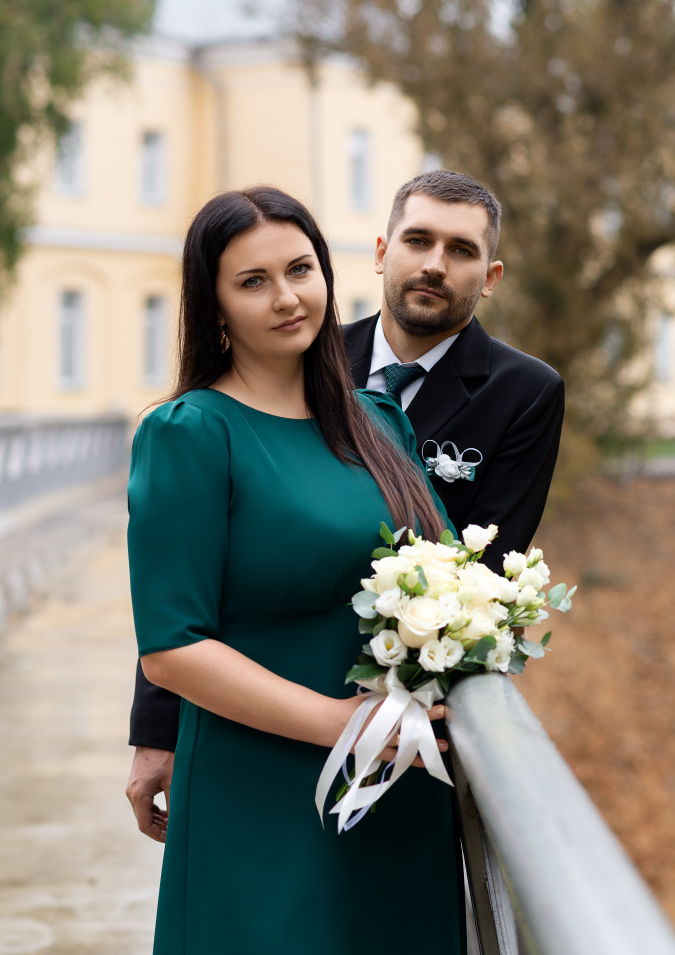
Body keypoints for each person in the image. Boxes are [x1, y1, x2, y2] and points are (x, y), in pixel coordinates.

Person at [126, 169, 564, 845]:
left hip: (404, 740)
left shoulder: (500, 396)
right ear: (382, 250)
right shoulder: (222, 408)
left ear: (490, 274)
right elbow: (179, 601)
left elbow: (484, 572)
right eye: (418, 240)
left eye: (461, 251)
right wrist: (157, 730)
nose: (434, 265)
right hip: (266, 742)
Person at [127, 185, 465, 953]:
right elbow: (172, 646)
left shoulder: (379, 422)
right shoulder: (189, 434)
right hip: (266, 788)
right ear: (213, 307)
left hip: (400, 788)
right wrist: (340, 726)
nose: (287, 297)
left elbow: (447, 582)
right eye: (253, 282)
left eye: (300, 269)